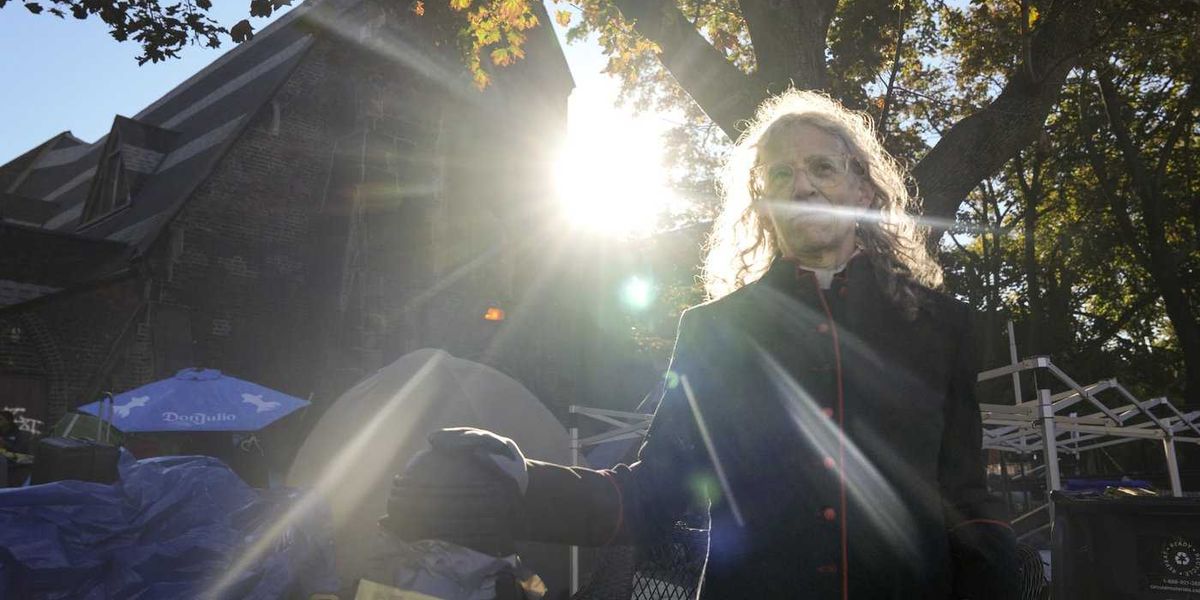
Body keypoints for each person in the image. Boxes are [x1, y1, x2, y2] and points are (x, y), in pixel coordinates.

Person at [389, 90, 1018, 599]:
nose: (802, 187)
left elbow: (963, 493)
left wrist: (996, 576)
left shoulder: (941, 327)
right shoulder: (716, 334)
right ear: (763, 206)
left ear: (862, 188)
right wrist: (525, 485)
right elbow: (657, 490)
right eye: (781, 175)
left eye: (822, 168)